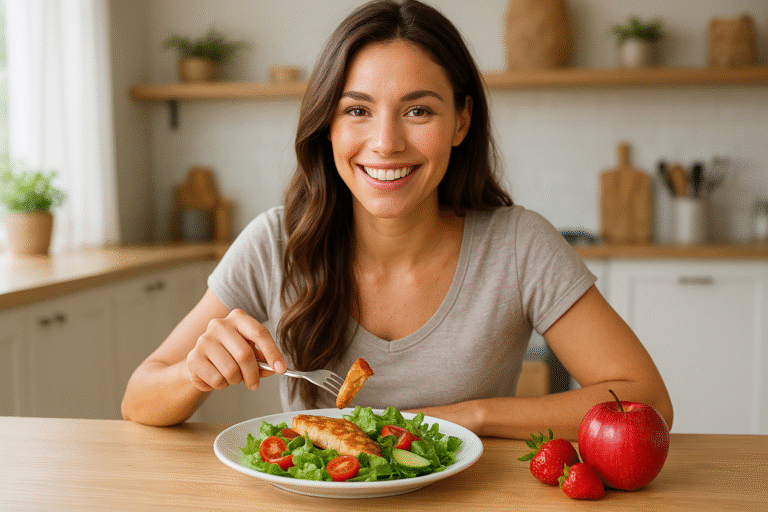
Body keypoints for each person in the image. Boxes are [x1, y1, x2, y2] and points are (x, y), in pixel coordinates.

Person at [122, 0, 673, 439]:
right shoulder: (276, 241)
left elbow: (646, 399)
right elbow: (139, 398)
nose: (385, 144)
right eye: (357, 110)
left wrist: (475, 416)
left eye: (418, 110)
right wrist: (195, 374)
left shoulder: (518, 243)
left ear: (460, 121)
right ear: (329, 126)